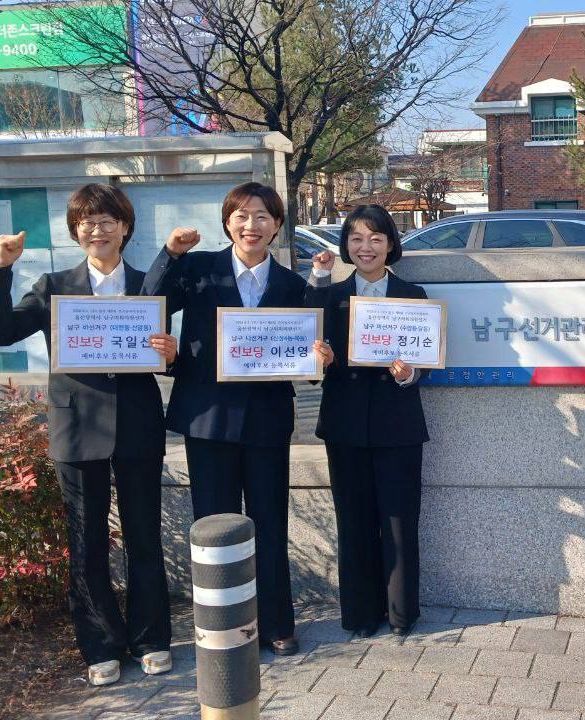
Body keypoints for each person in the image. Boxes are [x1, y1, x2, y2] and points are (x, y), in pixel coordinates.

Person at [0, 183, 177, 687]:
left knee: (144, 538)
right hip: (76, 425)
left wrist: (169, 351)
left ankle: (152, 638)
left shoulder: (149, 284)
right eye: (86, 222)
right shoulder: (54, 285)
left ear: (125, 227)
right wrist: (2, 267)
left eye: (107, 220)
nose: (97, 229)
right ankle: (101, 645)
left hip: (137, 422)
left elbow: (171, 351)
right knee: (86, 541)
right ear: (76, 231)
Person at [141, 181, 334, 656]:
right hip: (207, 418)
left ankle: (275, 625)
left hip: (267, 421)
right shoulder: (199, 269)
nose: (252, 225)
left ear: (277, 226)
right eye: (242, 215)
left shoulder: (291, 285)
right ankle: (221, 626)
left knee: (269, 523)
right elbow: (150, 299)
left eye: (263, 216)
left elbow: (304, 352)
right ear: (227, 221)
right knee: (213, 527)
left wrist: (318, 360)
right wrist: (169, 252)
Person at [305, 205, 430, 638]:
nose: (366, 247)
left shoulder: (413, 295)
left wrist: (410, 373)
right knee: (353, 521)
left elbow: (425, 360)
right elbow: (306, 327)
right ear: (345, 246)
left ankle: (401, 614)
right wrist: (319, 277)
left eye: (376, 238)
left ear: (391, 244)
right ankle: (359, 614)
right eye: (356, 238)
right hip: (345, 423)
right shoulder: (331, 295)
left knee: (399, 520)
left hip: (398, 425)